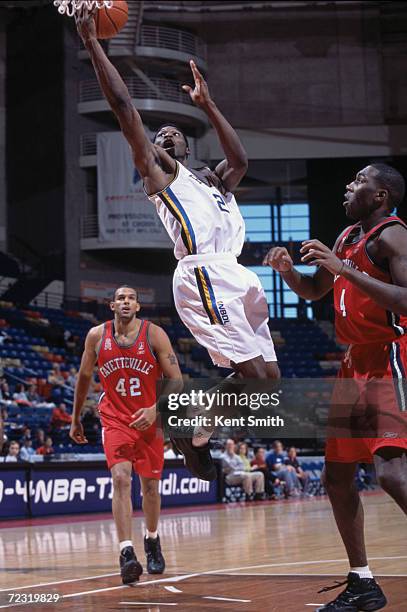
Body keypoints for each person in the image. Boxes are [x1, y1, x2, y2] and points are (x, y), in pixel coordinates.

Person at [75, 9, 279, 481]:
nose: (165, 134)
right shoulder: (162, 175)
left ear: (188, 147)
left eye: (174, 133)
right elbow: (126, 110)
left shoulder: (214, 182)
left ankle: (198, 430)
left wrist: (207, 104)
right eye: (159, 135)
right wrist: (93, 44)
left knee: (269, 386)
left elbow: (240, 159)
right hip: (203, 273)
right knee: (254, 380)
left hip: (236, 274)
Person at [264, 163, 407, 610]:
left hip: (388, 356)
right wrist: (289, 273)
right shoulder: (347, 238)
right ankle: (363, 582)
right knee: (337, 476)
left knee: (389, 472)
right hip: (352, 365)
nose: (349, 186)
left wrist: (344, 269)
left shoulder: (394, 235)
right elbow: (314, 291)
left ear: (381, 195)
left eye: (359, 181)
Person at [70, 286, 182, 585]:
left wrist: (154, 409)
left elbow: (177, 380)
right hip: (115, 418)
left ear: (138, 306)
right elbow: (83, 378)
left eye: (131, 298)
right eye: (120, 298)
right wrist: (76, 417)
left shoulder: (154, 334)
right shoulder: (96, 335)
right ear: (111, 305)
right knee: (120, 479)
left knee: (151, 489)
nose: (125, 302)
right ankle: (126, 553)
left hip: (149, 420)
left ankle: (152, 539)